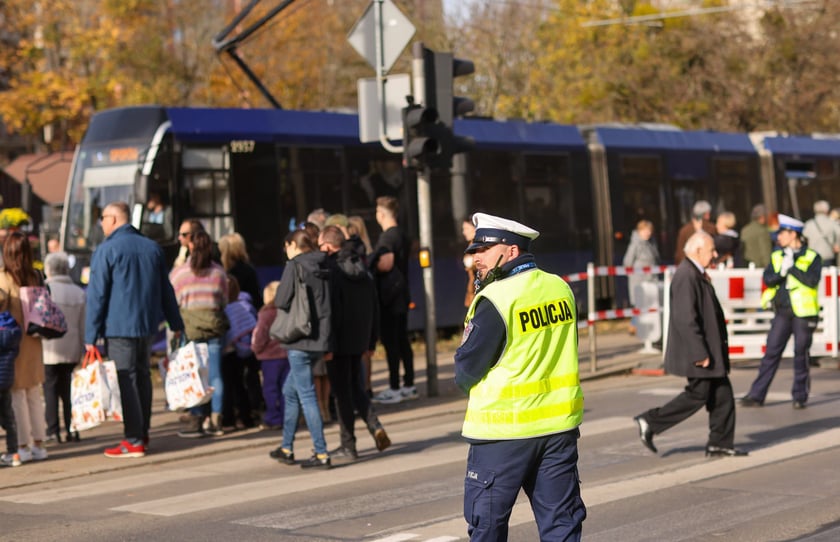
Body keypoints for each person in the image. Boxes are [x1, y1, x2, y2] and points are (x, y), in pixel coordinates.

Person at [454, 212, 586, 541]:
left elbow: (465, 372)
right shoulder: (560, 288)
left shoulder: (496, 298)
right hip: (557, 429)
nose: (476, 259)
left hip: (503, 434)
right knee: (562, 526)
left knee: (488, 528)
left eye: (484, 250)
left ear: (511, 251)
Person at [633, 231, 747, 458]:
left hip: (708, 349)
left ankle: (719, 443)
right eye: (711, 250)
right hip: (700, 351)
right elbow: (686, 318)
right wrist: (699, 352)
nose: (715, 254)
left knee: (722, 395)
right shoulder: (687, 275)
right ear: (697, 251)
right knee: (698, 394)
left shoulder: (695, 272)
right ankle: (651, 421)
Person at [85, 202, 184, 458]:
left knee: (126, 379)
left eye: (103, 218)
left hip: (118, 327)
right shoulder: (152, 248)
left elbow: (97, 296)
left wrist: (90, 335)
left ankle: (133, 439)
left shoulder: (106, 250)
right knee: (142, 378)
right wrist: (176, 323)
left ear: (115, 219)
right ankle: (143, 433)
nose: (102, 223)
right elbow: (166, 289)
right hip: (147, 325)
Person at [319, 226, 390, 460]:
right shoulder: (362, 267)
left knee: (342, 395)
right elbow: (374, 306)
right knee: (356, 387)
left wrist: (327, 344)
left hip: (338, 342)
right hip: (359, 339)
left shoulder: (332, 270)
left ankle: (348, 444)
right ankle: (375, 426)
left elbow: (331, 311)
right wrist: (371, 340)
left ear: (328, 246)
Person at [741, 214, 821, 408]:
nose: (779, 237)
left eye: (782, 233)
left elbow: (811, 280)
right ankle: (756, 395)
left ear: (793, 234)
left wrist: (792, 268)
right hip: (783, 311)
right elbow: (768, 279)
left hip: (803, 313)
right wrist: (781, 272)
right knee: (771, 352)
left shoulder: (811, 256)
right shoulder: (777, 255)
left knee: (801, 354)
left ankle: (799, 397)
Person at [268, 229, 332, 470]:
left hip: (299, 339)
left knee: (306, 395)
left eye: (287, 246)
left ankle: (322, 452)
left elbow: (281, 300)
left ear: (293, 244)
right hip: (319, 339)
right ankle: (286, 447)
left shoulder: (294, 266)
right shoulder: (325, 265)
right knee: (290, 390)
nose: (286, 251)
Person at [169, 229, 229, 438]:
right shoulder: (219, 273)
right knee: (215, 374)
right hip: (213, 327)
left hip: (190, 329)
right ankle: (216, 418)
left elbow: (173, 300)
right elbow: (224, 300)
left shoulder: (180, 273)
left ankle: (196, 417)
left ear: (190, 247)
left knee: (193, 373)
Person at [0, 233, 48, 463]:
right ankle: (39, 443)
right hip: (34, 340)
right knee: (34, 394)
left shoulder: (4, 279)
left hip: (12, 344)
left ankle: (22, 445)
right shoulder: (35, 275)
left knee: (16, 395)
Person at [371, 196, 415, 404]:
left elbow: (386, 264)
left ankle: (395, 387)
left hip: (389, 297)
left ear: (381, 214)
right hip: (401, 293)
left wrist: (371, 263)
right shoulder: (403, 235)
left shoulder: (388, 237)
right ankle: (409, 384)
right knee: (402, 339)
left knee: (391, 342)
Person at [42, 252, 85, 444]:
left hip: (48, 348)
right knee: (69, 390)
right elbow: (83, 324)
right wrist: (83, 349)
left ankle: (53, 430)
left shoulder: (45, 290)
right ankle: (71, 428)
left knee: (50, 388)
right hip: (72, 347)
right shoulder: (78, 292)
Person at [218, 232, 263, 412]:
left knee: (232, 374)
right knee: (251, 371)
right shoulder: (249, 269)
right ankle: (255, 404)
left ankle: (236, 407)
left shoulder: (225, 274)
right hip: (248, 325)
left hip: (232, 328)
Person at [251, 281, 289, 431]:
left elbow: (259, 335)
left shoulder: (265, 314)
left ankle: (273, 417)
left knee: (270, 389)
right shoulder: (288, 312)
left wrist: (256, 349)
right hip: (287, 355)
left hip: (269, 358)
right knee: (286, 389)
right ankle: (288, 417)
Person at [221, 275, 257, 430]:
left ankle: (228, 419)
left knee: (227, 387)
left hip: (227, 352)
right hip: (241, 353)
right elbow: (250, 324)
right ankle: (246, 417)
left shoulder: (224, 310)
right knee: (240, 385)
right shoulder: (242, 307)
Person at [622, 219, 660, 306]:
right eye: (645, 230)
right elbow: (627, 262)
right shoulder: (634, 244)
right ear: (639, 231)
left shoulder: (652, 243)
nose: (648, 233)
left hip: (652, 279)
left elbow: (657, 259)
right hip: (639, 281)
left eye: (650, 230)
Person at [675, 200, 716, 264]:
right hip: (705, 264)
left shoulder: (684, 230)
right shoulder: (711, 228)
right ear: (706, 214)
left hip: (688, 264)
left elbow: (679, 253)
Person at [802, 200, 840, 266]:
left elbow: (803, 238)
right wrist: (837, 244)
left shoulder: (808, 224)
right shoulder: (832, 223)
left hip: (812, 258)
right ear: (827, 210)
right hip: (828, 258)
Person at [740, 204, 772, 268]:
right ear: (762, 217)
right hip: (760, 267)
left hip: (746, 266)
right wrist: (768, 268)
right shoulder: (763, 231)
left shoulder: (745, 229)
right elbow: (765, 252)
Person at [461, 218, 477, 309]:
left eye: (466, 228)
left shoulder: (481, 245)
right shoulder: (470, 245)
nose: (464, 232)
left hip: (479, 288)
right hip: (472, 287)